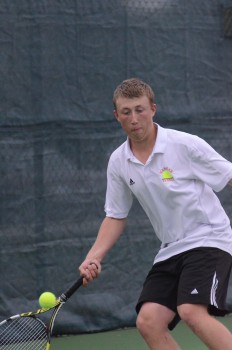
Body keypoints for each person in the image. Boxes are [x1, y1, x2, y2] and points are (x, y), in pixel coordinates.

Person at [79, 78, 232, 350]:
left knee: (191, 311)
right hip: (170, 248)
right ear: (117, 116)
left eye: (140, 109)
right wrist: (94, 257)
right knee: (148, 321)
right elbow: (115, 215)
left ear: (153, 109)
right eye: (126, 112)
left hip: (208, 238)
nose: (134, 118)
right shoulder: (118, 161)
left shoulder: (185, 145)